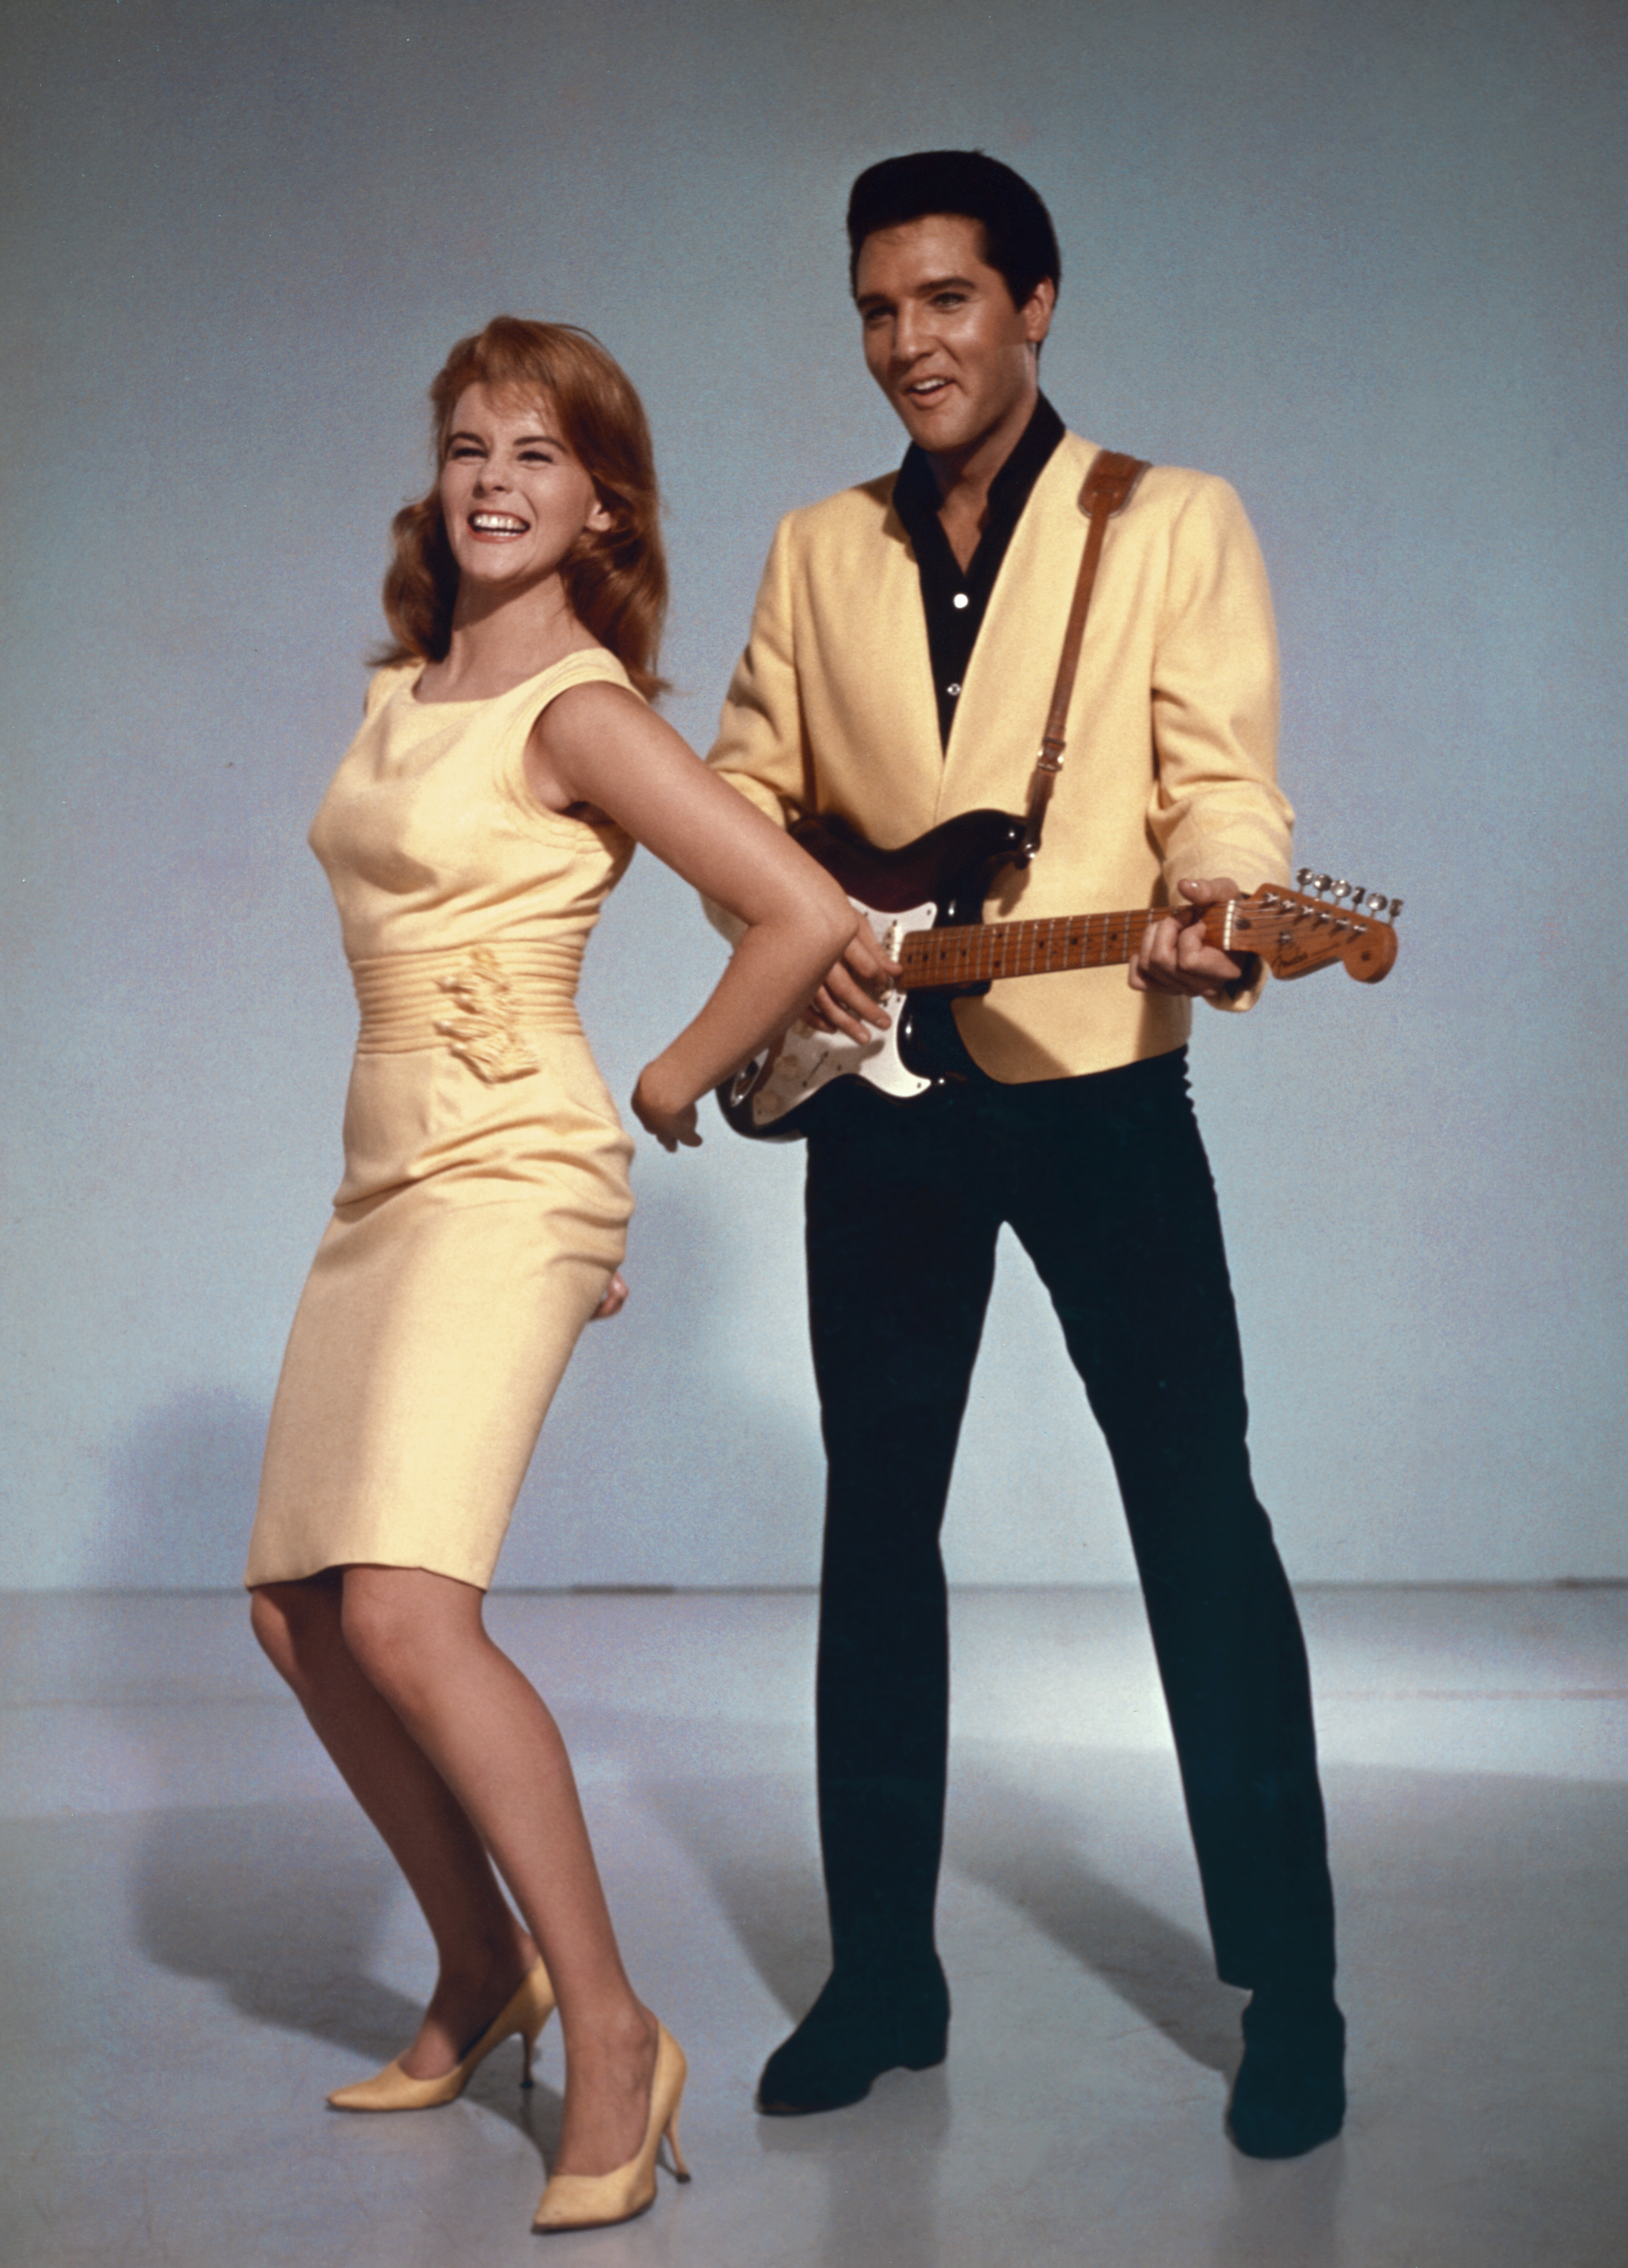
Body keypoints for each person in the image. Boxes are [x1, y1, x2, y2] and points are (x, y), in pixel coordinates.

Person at [706, 150, 1345, 2159]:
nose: (909, 343)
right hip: (878, 1097)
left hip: (1097, 1091)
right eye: (877, 309)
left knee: (1198, 1526)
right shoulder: (814, 549)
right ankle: (884, 1974)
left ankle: (1289, 1993)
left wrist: (1215, 906)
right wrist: (803, 942)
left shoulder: (1166, 521)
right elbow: (742, 783)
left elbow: (1224, 791)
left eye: (948, 301)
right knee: (874, 1527)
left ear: (1036, 302)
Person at [245, 317, 856, 2234]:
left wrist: (664, 1086)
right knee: (298, 1614)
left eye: (536, 451)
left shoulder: (581, 710)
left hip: (512, 1167)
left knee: (411, 1611)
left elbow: (800, 912)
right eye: (465, 445)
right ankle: (476, 1962)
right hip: (384, 1175)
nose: (493, 477)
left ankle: (606, 2024)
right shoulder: (408, 689)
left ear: (602, 503)